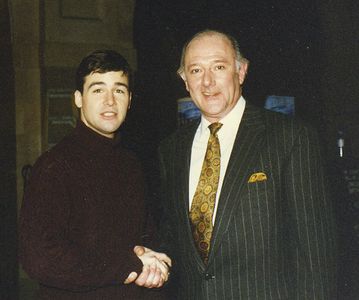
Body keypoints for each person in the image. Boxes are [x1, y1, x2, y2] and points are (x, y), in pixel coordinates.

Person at [158, 30, 336, 299]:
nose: (207, 81)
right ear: (185, 81)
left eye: (219, 67)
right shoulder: (170, 149)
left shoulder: (290, 137)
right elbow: (174, 240)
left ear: (241, 71)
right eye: (195, 70)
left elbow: (315, 254)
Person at [19, 49, 171, 299]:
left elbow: (146, 236)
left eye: (119, 90)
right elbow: (39, 258)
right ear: (78, 99)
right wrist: (130, 265)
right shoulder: (54, 166)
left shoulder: (131, 164)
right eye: (98, 89)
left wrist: (152, 262)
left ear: (130, 100)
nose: (110, 101)